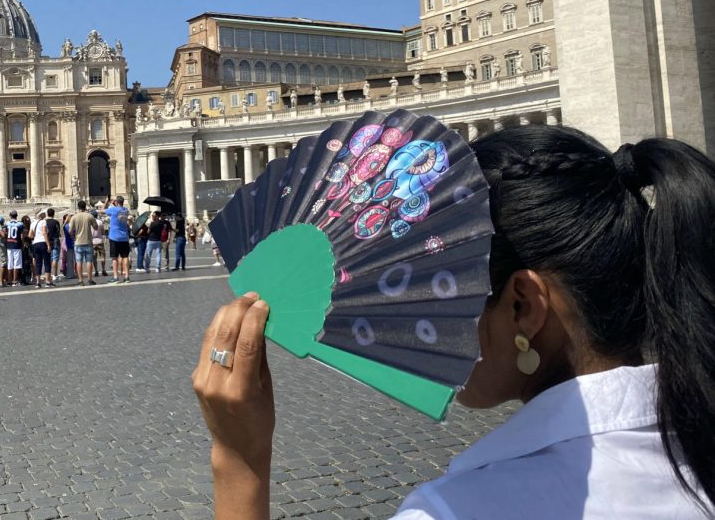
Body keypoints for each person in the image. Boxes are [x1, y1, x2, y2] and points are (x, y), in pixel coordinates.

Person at [192, 125, 715, 518]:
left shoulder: (463, 509)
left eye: (455, 290)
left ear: (523, 308)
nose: (437, 321)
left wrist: (239, 461)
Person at [70, 201, 99, 286]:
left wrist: (73, 236)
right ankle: (90, 279)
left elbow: (70, 231)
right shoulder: (90, 216)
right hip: (88, 241)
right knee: (89, 261)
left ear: (78, 207)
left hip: (78, 242)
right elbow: (96, 227)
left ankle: (80, 280)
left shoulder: (74, 217)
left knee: (79, 262)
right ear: (85, 206)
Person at [105, 196, 131, 284]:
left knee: (114, 258)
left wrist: (106, 202)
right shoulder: (126, 210)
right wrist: (115, 204)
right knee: (125, 256)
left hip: (114, 237)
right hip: (124, 237)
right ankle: (127, 276)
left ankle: (116, 277)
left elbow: (102, 210)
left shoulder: (113, 210)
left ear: (116, 202)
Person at [28, 209, 54, 288]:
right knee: (47, 262)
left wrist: (36, 236)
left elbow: (30, 235)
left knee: (38, 263)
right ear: (41, 215)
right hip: (43, 243)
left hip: (35, 244)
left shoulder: (33, 223)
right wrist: (48, 244)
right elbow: (44, 233)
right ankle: (47, 281)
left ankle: (38, 282)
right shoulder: (43, 222)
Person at [4, 210, 24, 287]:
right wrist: (22, 244)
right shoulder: (20, 224)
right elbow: (21, 236)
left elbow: (5, 233)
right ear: (17, 215)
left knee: (10, 263)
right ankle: (15, 281)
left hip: (9, 244)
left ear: (10, 216)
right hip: (16, 244)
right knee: (17, 263)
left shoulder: (7, 223)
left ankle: (9, 280)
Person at [45, 208, 62, 280]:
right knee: (55, 258)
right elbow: (58, 232)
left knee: (48, 258)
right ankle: (54, 274)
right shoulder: (55, 222)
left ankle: (49, 274)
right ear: (53, 214)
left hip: (47, 241)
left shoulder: (44, 222)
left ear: (47, 214)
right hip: (55, 241)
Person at [92, 210, 108, 277]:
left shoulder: (89, 223)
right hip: (100, 241)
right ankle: (103, 270)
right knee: (102, 256)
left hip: (92, 242)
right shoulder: (100, 222)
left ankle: (96, 271)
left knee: (94, 258)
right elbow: (103, 232)